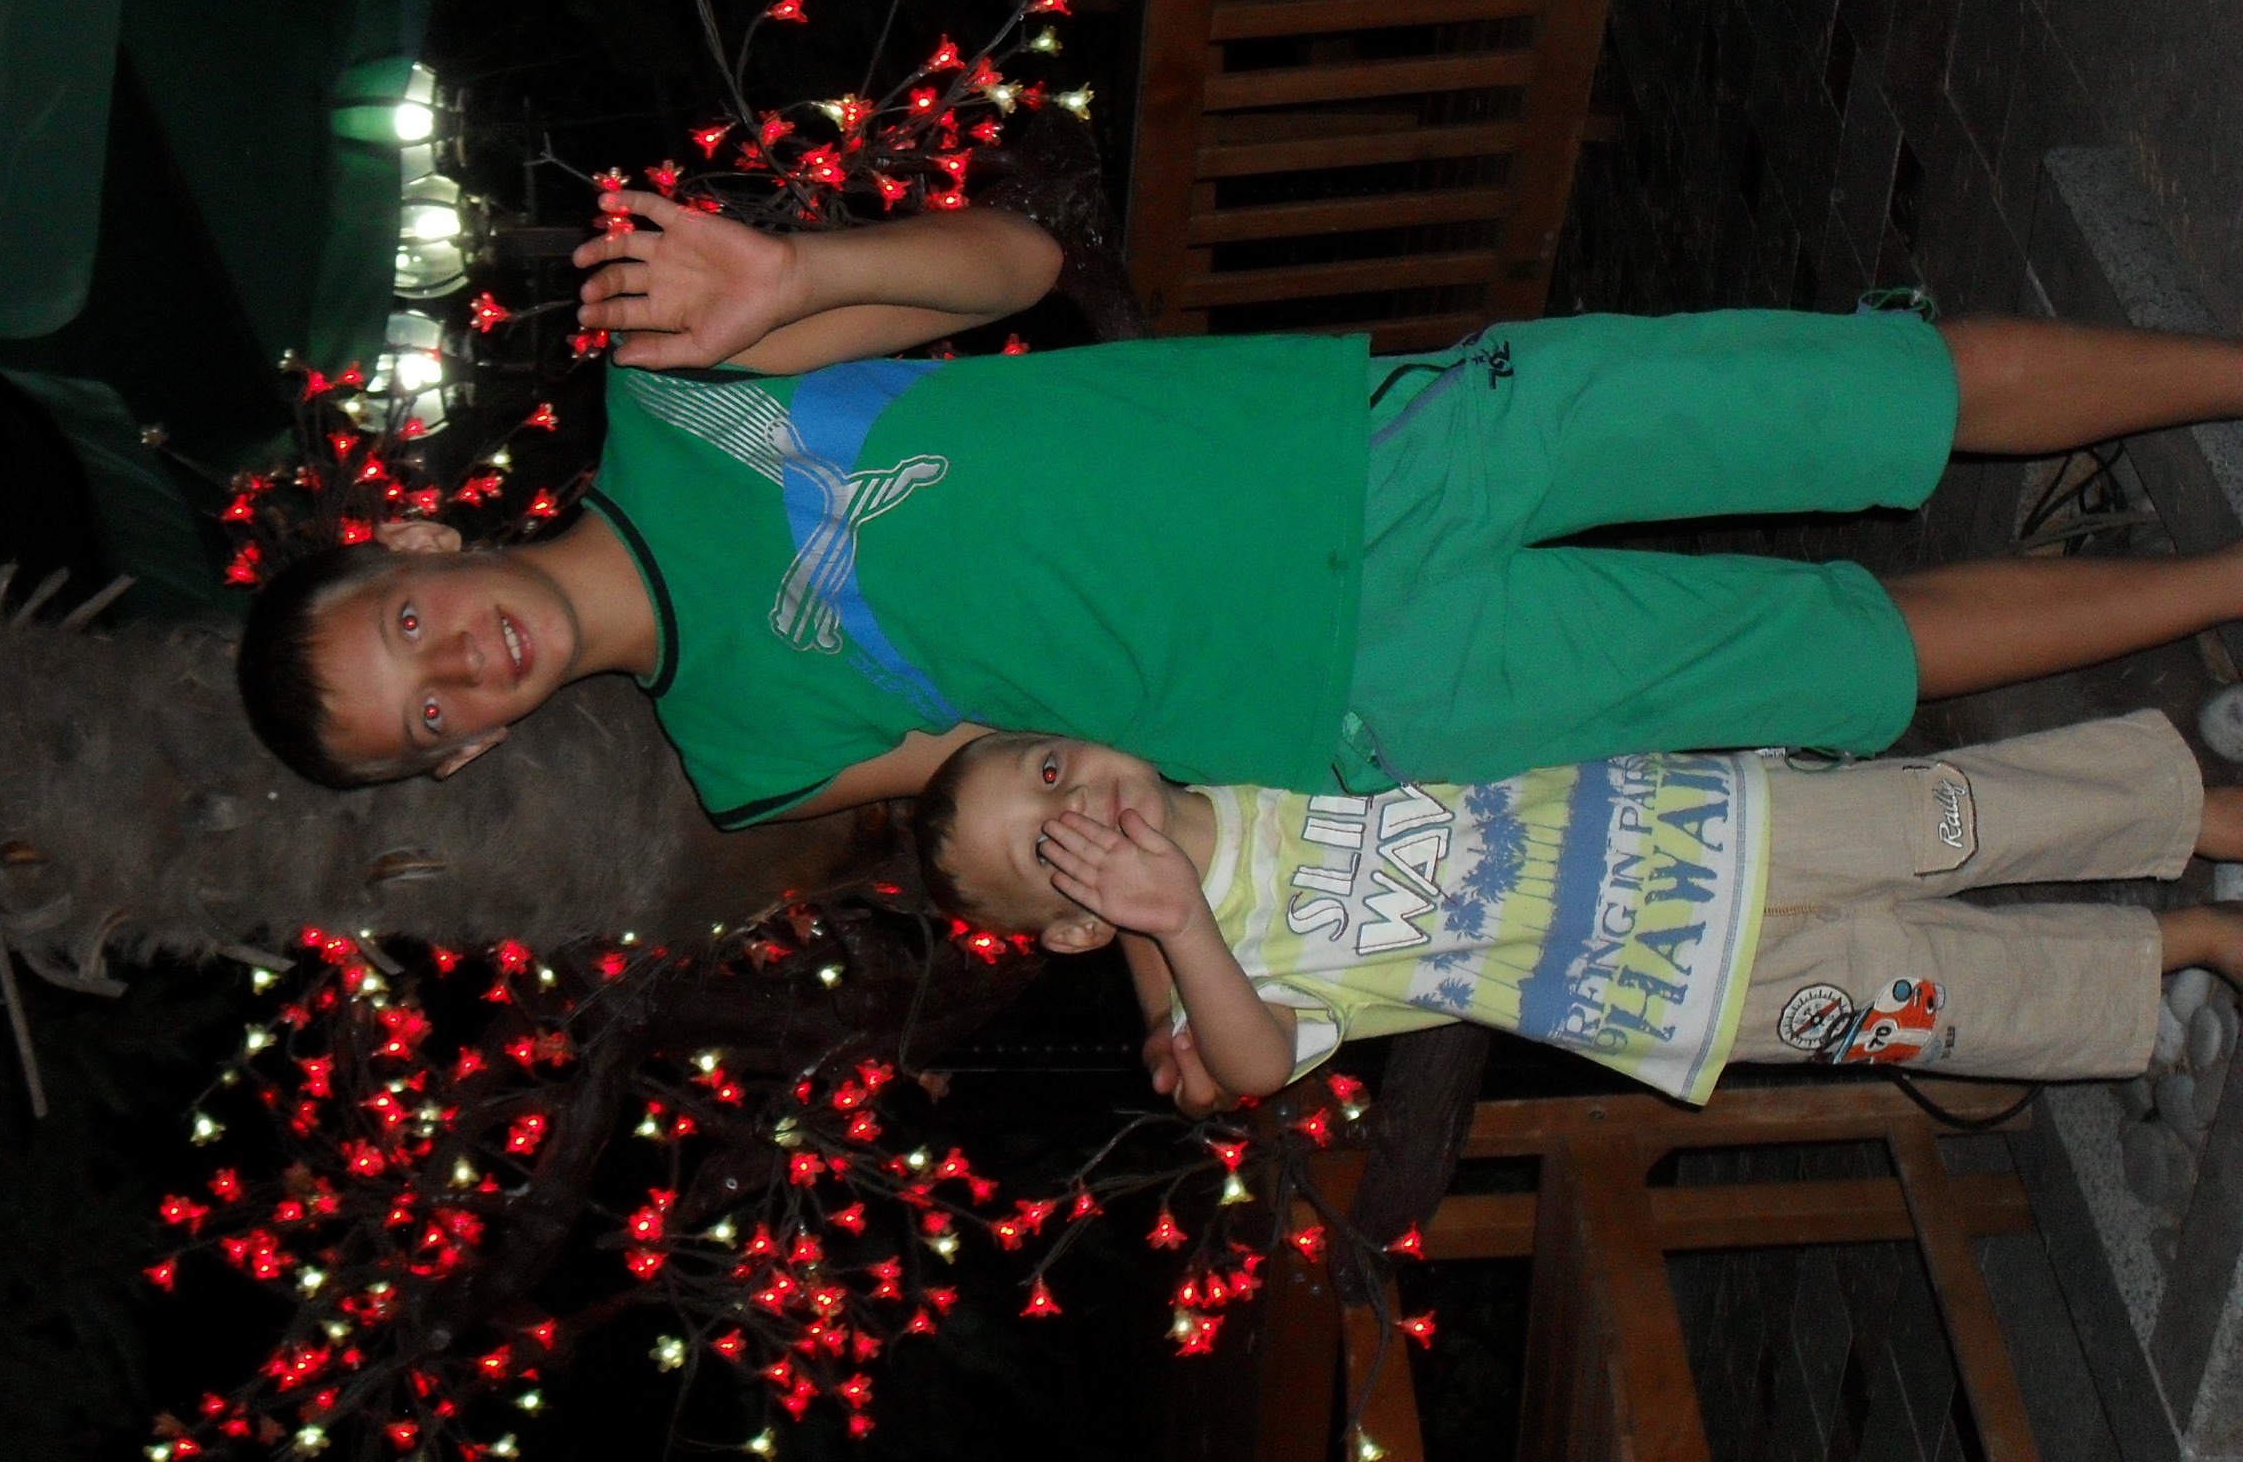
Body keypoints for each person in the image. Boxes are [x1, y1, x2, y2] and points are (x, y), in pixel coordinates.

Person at [240, 191, 2243, 823]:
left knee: (1861, 396)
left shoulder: (674, 387)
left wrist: (796, 270)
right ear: (460, 758)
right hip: (1356, 691)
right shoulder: (747, 763)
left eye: (409, 631)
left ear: (415, 548)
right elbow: (1014, 772)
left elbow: (1023, 265)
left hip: (1364, 445)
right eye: (430, 717)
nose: (461, 668)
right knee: (1843, 658)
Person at [910, 715, 2243, 1112]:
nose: (1077, 806)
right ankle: (2197, 944)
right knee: (1941, 998)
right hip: (1674, 992)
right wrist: (1181, 927)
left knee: (1950, 811)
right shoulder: (1217, 963)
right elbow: (1254, 1068)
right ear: (1074, 929)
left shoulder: (1247, 742)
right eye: (1046, 845)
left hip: (1696, 823)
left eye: (1051, 770)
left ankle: (2205, 814)